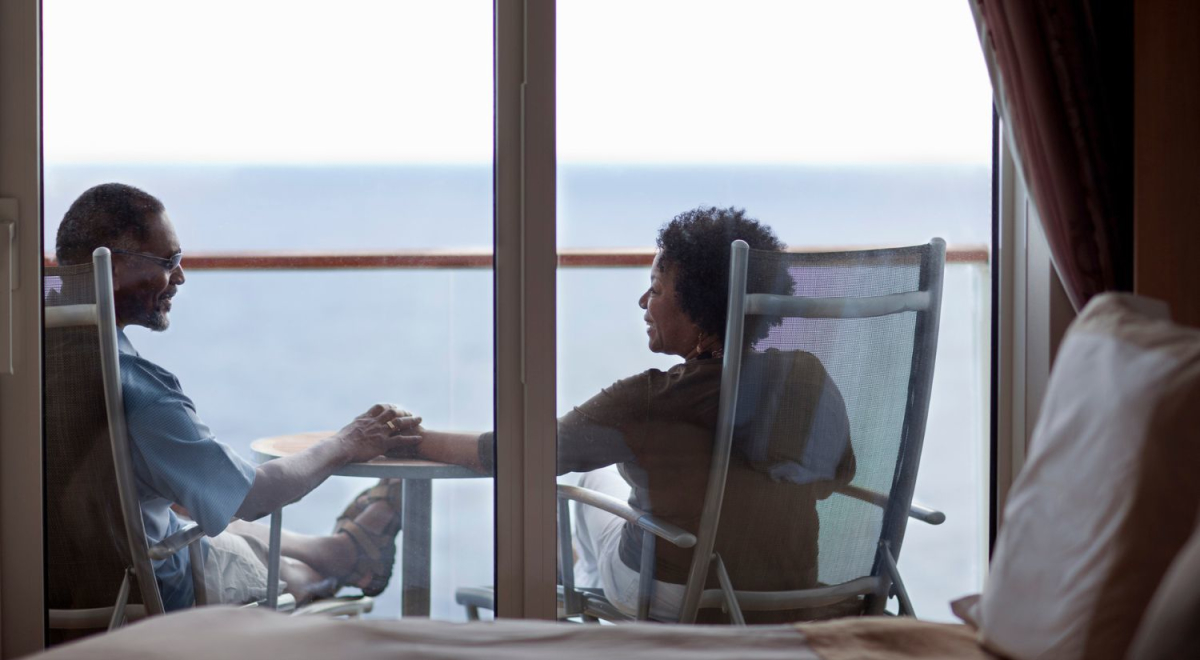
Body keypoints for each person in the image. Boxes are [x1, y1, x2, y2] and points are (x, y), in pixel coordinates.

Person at [406, 206, 856, 623]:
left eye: (657, 289)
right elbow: (835, 477)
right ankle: (586, 596)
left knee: (588, 483)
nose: (644, 302)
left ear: (699, 310)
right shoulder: (806, 377)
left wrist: (415, 439)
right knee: (615, 497)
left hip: (676, 595)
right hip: (790, 591)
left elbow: (520, 453)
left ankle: (577, 621)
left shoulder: (653, 401)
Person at [53, 182, 415, 610]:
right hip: (150, 589)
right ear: (114, 269)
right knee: (267, 560)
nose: (181, 276)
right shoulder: (138, 387)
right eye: (169, 262)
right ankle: (330, 570)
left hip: (57, 585)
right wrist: (347, 442)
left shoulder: (34, 360)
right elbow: (252, 496)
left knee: (201, 512)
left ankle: (336, 551)